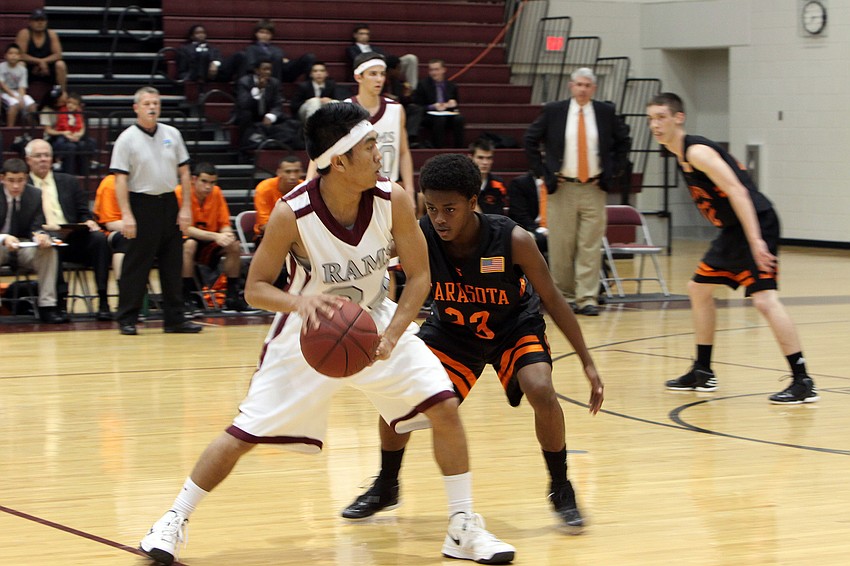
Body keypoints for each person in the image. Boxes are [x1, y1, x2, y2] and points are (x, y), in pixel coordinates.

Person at [138, 103, 515, 566]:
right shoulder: (292, 213)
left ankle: (462, 526)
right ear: (339, 160)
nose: (379, 153)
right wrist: (300, 303)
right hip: (310, 334)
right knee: (243, 433)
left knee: (444, 406)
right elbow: (255, 288)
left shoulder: (392, 197)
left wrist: (393, 334)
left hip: (375, 321)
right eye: (369, 146)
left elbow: (420, 277)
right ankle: (173, 519)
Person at [341, 153, 604, 532]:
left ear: (473, 202)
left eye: (450, 209)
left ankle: (561, 486)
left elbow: (553, 298)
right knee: (398, 392)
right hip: (453, 332)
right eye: (432, 209)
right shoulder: (422, 235)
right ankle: (386, 484)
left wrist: (587, 362)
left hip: (513, 327)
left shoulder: (513, 239)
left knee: (540, 388)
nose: (440, 218)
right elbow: (369, 258)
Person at [646, 92, 819, 405]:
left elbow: (738, 191)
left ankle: (802, 380)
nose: (655, 125)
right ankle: (703, 370)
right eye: (651, 119)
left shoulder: (697, 152)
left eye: (661, 117)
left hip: (755, 223)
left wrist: (755, 240)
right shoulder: (680, 154)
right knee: (699, 289)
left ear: (678, 118)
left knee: (764, 300)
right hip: (734, 229)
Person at [524, 67, 631, 316]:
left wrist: (612, 172)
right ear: (571, 86)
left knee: (590, 245)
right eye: (579, 84)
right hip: (562, 186)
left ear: (594, 88)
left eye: (587, 85)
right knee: (561, 246)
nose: (583, 89)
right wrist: (543, 173)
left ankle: (587, 298)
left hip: (594, 187)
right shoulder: (555, 111)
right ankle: (565, 297)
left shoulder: (605, 112)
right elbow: (530, 139)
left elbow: (624, 141)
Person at [110, 86, 202, 336]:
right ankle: (127, 318)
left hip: (169, 202)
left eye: (156, 103)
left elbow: (184, 173)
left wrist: (185, 208)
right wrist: (126, 214)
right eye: (147, 103)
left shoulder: (172, 133)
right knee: (137, 264)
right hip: (141, 203)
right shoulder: (126, 139)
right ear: (136, 108)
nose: (152, 108)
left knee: (173, 263)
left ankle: (175, 319)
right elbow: (120, 179)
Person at [26, 138, 112, 320]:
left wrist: (88, 221)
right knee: (52, 244)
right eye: (38, 156)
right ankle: (59, 302)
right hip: (44, 240)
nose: (43, 159)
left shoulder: (68, 181)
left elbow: (83, 212)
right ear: (28, 160)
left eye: (47, 155)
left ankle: (103, 299)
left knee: (99, 239)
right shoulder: (23, 185)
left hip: (72, 236)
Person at [175, 162, 256, 314]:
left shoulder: (217, 193)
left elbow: (224, 224)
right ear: (193, 179)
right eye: (204, 181)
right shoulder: (180, 192)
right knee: (190, 245)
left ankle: (232, 296)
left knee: (233, 245)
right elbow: (185, 228)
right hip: (186, 239)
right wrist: (217, 236)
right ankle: (186, 296)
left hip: (210, 241)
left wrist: (227, 235)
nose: (208, 186)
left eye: (212, 183)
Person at [343, 52, 415, 206]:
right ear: (358, 77)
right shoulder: (344, 110)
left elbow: (404, 152)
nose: (379, 79)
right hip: (353, 191)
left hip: (387, 190)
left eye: (382, 74)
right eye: (373, 74)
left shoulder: (396, 109)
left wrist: (409, 189)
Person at [0, 157, 66, 323]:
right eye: (11, 181)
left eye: (20, 180)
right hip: (1, 246)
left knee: (49, 251)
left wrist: (40, 235)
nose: (16, 186)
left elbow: (36, 226)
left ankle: (47, 306)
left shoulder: (35, 195)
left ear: (26, 179)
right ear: (2, 179)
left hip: (23, 245)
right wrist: (5, 238)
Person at [234, 58, 298, 154]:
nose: (268, 72)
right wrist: (257, 90)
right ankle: (244, 148)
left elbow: (278, 104)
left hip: (266, 115)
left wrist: (271, 115)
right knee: (245, 115)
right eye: (265, 69)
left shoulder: (274, 83)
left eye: (269, 69)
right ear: (256, 70)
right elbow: (244, 104)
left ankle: (276, 142)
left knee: (290, 121)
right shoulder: (244, 82)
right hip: (250, 115)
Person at [345, 23, 418, 90]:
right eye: (361, 34)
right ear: (355, 35)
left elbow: (386, 57)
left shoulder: (375, 48)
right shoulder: (352, 49)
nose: (364, 36)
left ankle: (413, 89)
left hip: (385, 66)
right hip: (369, 69)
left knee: (411, 58)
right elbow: (357, 61)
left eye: (367, 34)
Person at [40, 91, 97, 176]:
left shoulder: (77, 112)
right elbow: (49, 130)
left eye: (74, 104)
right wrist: (64, 133)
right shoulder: (55, 111)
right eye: (68, 102)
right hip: (57, 137)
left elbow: (82, 127)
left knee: (86, 144)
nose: (70, 105)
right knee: (70, 146)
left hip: (74, 135)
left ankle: (86, 169)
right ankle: (63, 166)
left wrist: (78, 135)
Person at [242, 19, 316, 84]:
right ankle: (275, 89)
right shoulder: (251, 48)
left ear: (271, 35)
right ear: (256, 34)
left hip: (283, 72)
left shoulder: (276, 49)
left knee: (309, 57)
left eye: (267, 33)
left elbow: (284, 63)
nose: (264, 35)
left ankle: (310, 88)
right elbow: (251, 66)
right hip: (268, 73)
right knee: (276, 57)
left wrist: (284, 61)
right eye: (262, 32)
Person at [413, 59, 465, 149]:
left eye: (436, 70)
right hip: (429, 115)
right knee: (440, 119)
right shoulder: (423, 84)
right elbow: (418, 106)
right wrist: (433, 106)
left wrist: (452, 104)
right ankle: (438, 147)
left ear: (443, 70)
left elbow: (455, 102)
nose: (434, 73)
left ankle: (459, 147)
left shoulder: (451, 85)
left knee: (459, 119)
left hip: (447, 113)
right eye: (431, 70)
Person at [252, 155, 303, 244]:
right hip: (268, 236)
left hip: (300, 235)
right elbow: (264, 225)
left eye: (296, 171)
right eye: (288, 172)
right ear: (279, 172)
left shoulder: (305, 188)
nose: (293, 176)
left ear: (301, 172)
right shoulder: (264, 188)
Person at [14, 9, 67, 92]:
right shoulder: (24, 33)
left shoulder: (51, 34)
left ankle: (62, 93)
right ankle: (19, 93)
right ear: (30, 22)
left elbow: (58, 55)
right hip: (30, 68)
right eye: (36, 20)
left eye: (42, 20)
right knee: (20, 64)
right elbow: (20, 55)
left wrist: (43, 62)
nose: (40, 23)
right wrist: (39, 62)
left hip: (47, 69)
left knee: (60, 64)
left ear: (46, 22)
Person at [92, 174, 129, 284]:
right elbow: (111, 223)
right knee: (125, 237)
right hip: (115, 232)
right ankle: (124, 288)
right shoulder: (110, 183)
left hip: (148, 231)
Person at [507, 171, 548, 257]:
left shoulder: (559, 184)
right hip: (530, 226)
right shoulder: (520, 183)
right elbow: (519, 214)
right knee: (539, 239)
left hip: (553, 226)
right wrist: (538, 229)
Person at [1, 43, 38, 127]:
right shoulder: (1, 67)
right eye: (10, 53)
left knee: (32, 105)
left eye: (16, 54)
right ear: (5, 55)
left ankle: (32, 129)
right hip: (4, 93)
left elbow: (22, 86)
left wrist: (21, 98)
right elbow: (2, 84)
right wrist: (15, 97)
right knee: (14, 105)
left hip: (18, 92)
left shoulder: (22, 69)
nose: (13, 56)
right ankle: (10, 130)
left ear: (20, 56)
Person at [469, 138, 508, 215]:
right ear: (471, 158)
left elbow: (499, 214)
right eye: (480, 158)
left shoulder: (498, 184)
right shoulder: (462, 182)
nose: (485, 162)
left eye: (489, 158)